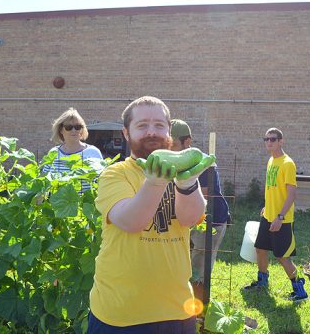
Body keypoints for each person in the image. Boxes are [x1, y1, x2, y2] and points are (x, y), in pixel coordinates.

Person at [88, 96, 214, 333]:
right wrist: (155, 184)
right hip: (121, 313)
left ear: (168, 132)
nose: (151, 132)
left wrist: (187, 184)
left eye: (159, 125)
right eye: (142, 125)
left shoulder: (181, 172)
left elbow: (189, 219)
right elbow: (131, 221)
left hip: (177, 309)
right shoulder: (116, 174)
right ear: (126, 133)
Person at [243, 128, 308, 303]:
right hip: (268, 216)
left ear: (281, 141)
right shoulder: (271, 160)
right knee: (260, 249)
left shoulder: (288, 163)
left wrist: (280, 217)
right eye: (266, 139)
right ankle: (262, 282)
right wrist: (267, 206)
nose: (269, 142)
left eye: (273, 139)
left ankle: (300, 290)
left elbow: (291, 194)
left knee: (282, 256)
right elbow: (272, 189)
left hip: (282, 219)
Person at [169, 119, 230, 303]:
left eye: (173, 144)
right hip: (188, 220)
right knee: (185, 262)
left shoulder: (202, 163)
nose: (169, 149)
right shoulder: (174, 160)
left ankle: (198, 311)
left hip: (210, 221)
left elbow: (201, 197)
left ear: (187, 142)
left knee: (199, 267)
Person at [43, 108, 103, 192]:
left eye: (78, 127)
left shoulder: (93, 152)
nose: (74, 130)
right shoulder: (53, 153)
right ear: (61, 130)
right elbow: (44, 181)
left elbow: (102, 181)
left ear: (82, 130)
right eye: (69, 127)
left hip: (86, 204)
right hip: (58, 204)